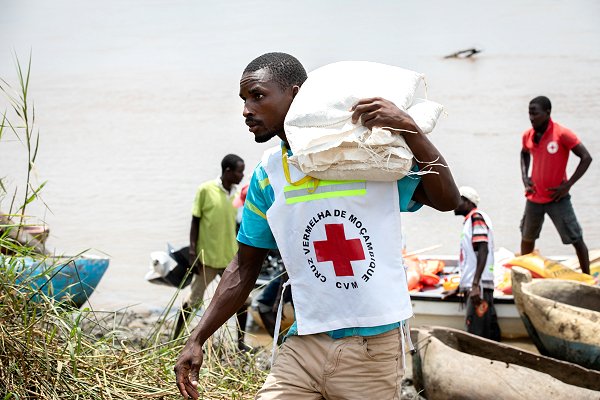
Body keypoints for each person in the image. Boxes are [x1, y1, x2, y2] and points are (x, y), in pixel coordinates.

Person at [174, 52, 459, 399]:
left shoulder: (363, 155)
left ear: (296, 94)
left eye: (258, 96)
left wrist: (408, 128)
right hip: (303, 344)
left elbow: (447, 199)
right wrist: (197, 338)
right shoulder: (268, 175)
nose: (246, 110)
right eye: (244, 99)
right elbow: (244, 268)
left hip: (372, 352)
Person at [172, 153, 250, 353]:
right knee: (192, 300)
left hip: (229, 258)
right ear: (228, 171)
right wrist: (192, 252)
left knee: (243, 300)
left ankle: (240, 342)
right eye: (239, 171)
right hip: (207, 258)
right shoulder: (206, 190)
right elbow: (195, 221)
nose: (242, 175)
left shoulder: (238, 194)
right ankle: (174, 339)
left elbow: (237, 225)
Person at [520, 96, 593, 274]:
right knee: (527, 237)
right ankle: (525, 274)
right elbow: (524, 154)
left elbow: (586, 158)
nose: (531, 117)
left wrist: (567, 185)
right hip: (535, 197)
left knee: (576, 238)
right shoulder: (528, 135)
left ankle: (588, 278)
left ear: (547, 113)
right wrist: (525, 177)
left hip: (557, 198)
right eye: (529, 113)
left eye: (535, 113)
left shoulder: (561, 134)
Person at [454, 186, 501, 341]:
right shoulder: (470, 220)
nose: (453, 203)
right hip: (476, 286)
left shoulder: (477, 217)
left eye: (457, 199)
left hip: (479, 288)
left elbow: (483, 250)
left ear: (467, 202)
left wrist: (474, 285)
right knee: (487, 333)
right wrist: (460, 287)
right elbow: (470, 258)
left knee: (477, 338)